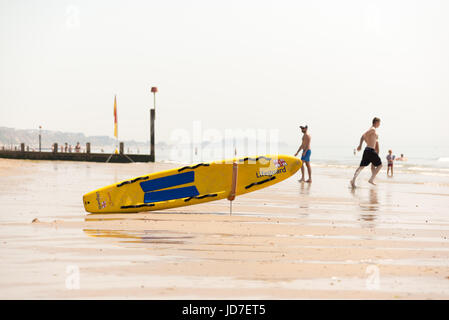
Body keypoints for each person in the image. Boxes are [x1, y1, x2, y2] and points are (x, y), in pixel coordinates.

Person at [350, 117, 383, 187]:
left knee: (361, 167)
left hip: (368, 150)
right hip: (370, 150)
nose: (380, 124)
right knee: (380, 165)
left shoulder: (373, 130)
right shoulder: (373, 129)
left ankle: (353, 181)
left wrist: (367, 142)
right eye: (379, 123)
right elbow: (363, 135)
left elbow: (367, 138)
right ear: (376, 122)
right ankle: (371, 179)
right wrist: (360, 145)